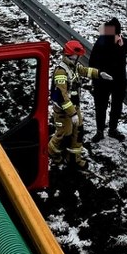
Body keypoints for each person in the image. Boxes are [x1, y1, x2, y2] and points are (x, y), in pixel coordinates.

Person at [48, 40, 112, 168]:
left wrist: (99, 74)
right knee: (63, 134)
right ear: (71, 55)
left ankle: (74, 159)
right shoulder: (61, 72)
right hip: (63, 111)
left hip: (74, 108)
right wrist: (72, 114)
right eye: (78, 55)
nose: (79, 58)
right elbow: (62, 96)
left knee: (78, 132)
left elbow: (84, 71)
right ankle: (53, 154)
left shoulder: (74, 66)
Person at [89, 18, 127, 142]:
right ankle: (100, 131)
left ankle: (112, 129)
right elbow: (92, 62)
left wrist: (124, 45)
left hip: (118, 82)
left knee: (116, 106)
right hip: (102, 82)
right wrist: (97, 76)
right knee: (101, 106)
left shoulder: (123, 42)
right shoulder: (101, 42)